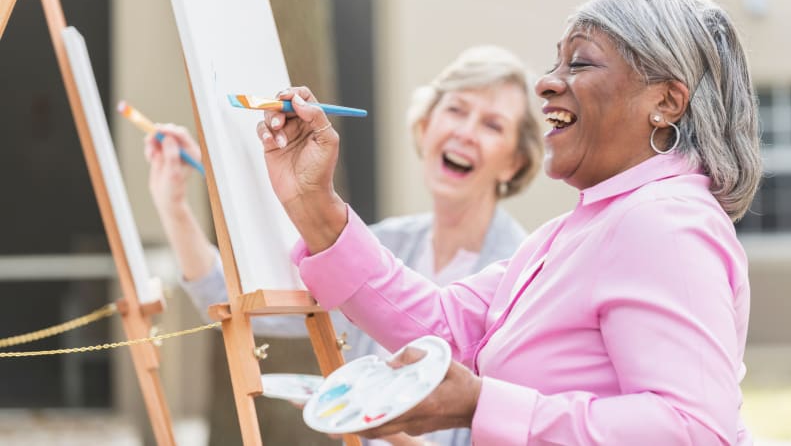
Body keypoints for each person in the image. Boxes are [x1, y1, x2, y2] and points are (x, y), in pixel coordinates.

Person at [256, 0, 762, 445]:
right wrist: (313, 203)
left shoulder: (663, 221)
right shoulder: (576, 230)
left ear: (667, 101)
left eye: (580, 63)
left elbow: (694, 430)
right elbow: (446, 329)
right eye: (556, 62)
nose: (545, 83)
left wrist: (481, 404)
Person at [145, 46, 544, 446]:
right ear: (426, 125)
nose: (466, 132)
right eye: (456, 110)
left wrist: (371, 421)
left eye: (492, 125)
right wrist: (174, 206)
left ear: (515, 162)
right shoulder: (378, 247)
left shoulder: (525, 278)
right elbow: (233, 298)